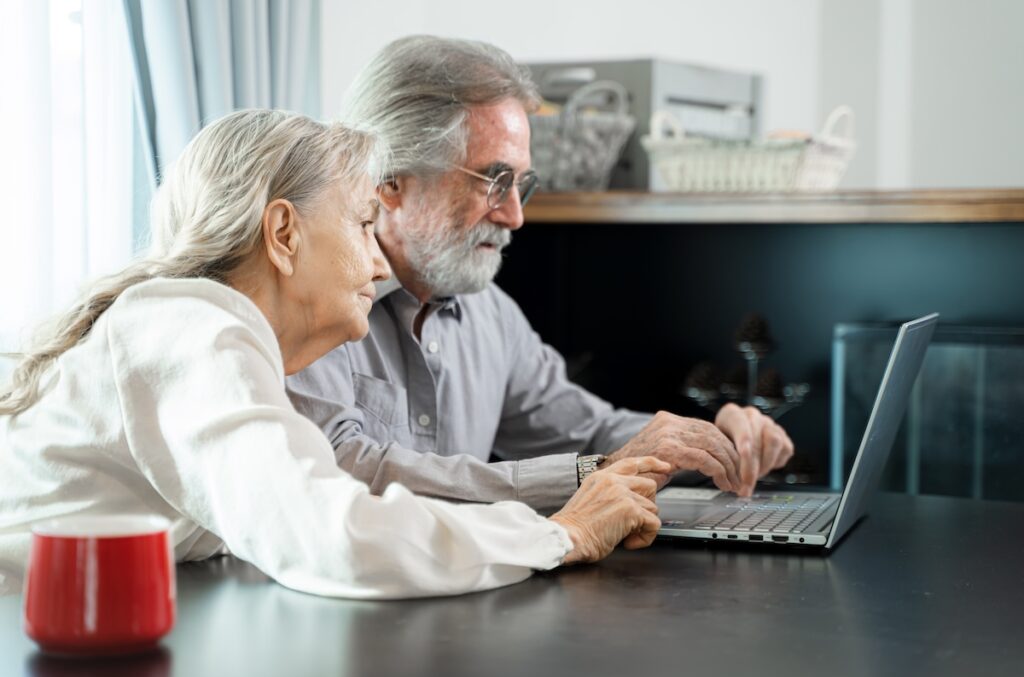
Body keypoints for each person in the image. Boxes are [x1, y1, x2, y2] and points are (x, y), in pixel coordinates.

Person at [0, 109, 670, 599]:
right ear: (284, 233)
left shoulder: (194, 330)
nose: (379, 259)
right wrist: (561, 534)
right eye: (358, 223)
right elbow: (330, 534)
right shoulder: (195, 329)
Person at [286, 36, 795, 511]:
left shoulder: (491, 315)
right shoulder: (307, 297)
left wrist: (709, 443)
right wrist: (591, 473)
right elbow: (340, 470)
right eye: (494, 180)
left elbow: (591, 432)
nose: (514, 215)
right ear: (389, 181)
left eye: (521, 185)